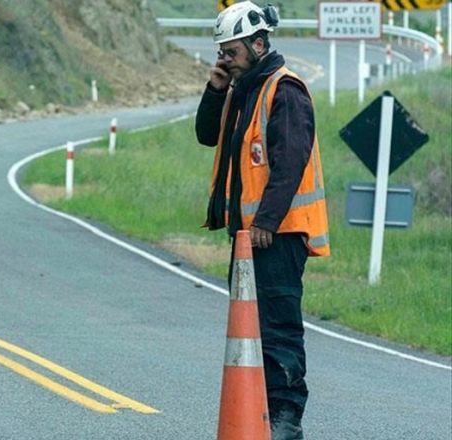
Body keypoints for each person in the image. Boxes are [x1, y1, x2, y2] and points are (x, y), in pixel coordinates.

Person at [194, 2, 330, 439]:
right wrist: (216, 88)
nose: (224, 59)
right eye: (221, 52)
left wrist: (266, 223)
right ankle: (260, 414)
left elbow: (289, 163)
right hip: (249, 237)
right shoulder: (242, 88)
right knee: (252, 329)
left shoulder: (284, 90)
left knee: (277, 328)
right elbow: (206, 135)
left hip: (278, 235)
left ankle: (286, 418)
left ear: (257, 43)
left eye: (230, 52)